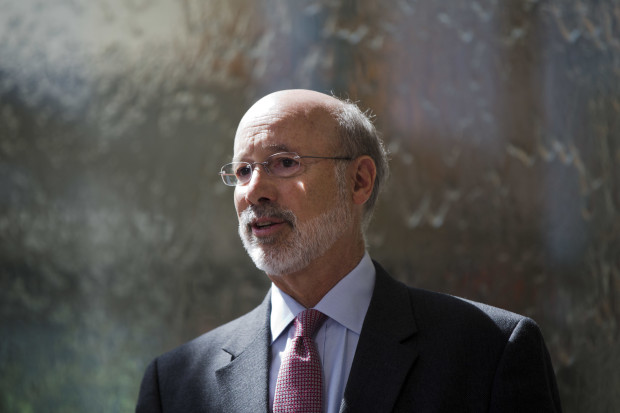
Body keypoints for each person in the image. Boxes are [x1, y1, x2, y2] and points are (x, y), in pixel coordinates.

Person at [136, 89, 562, 412]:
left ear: (359, 181)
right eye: (243, 171)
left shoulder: (488, 352)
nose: (255, 191)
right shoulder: (174, 383)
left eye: (284, 162)